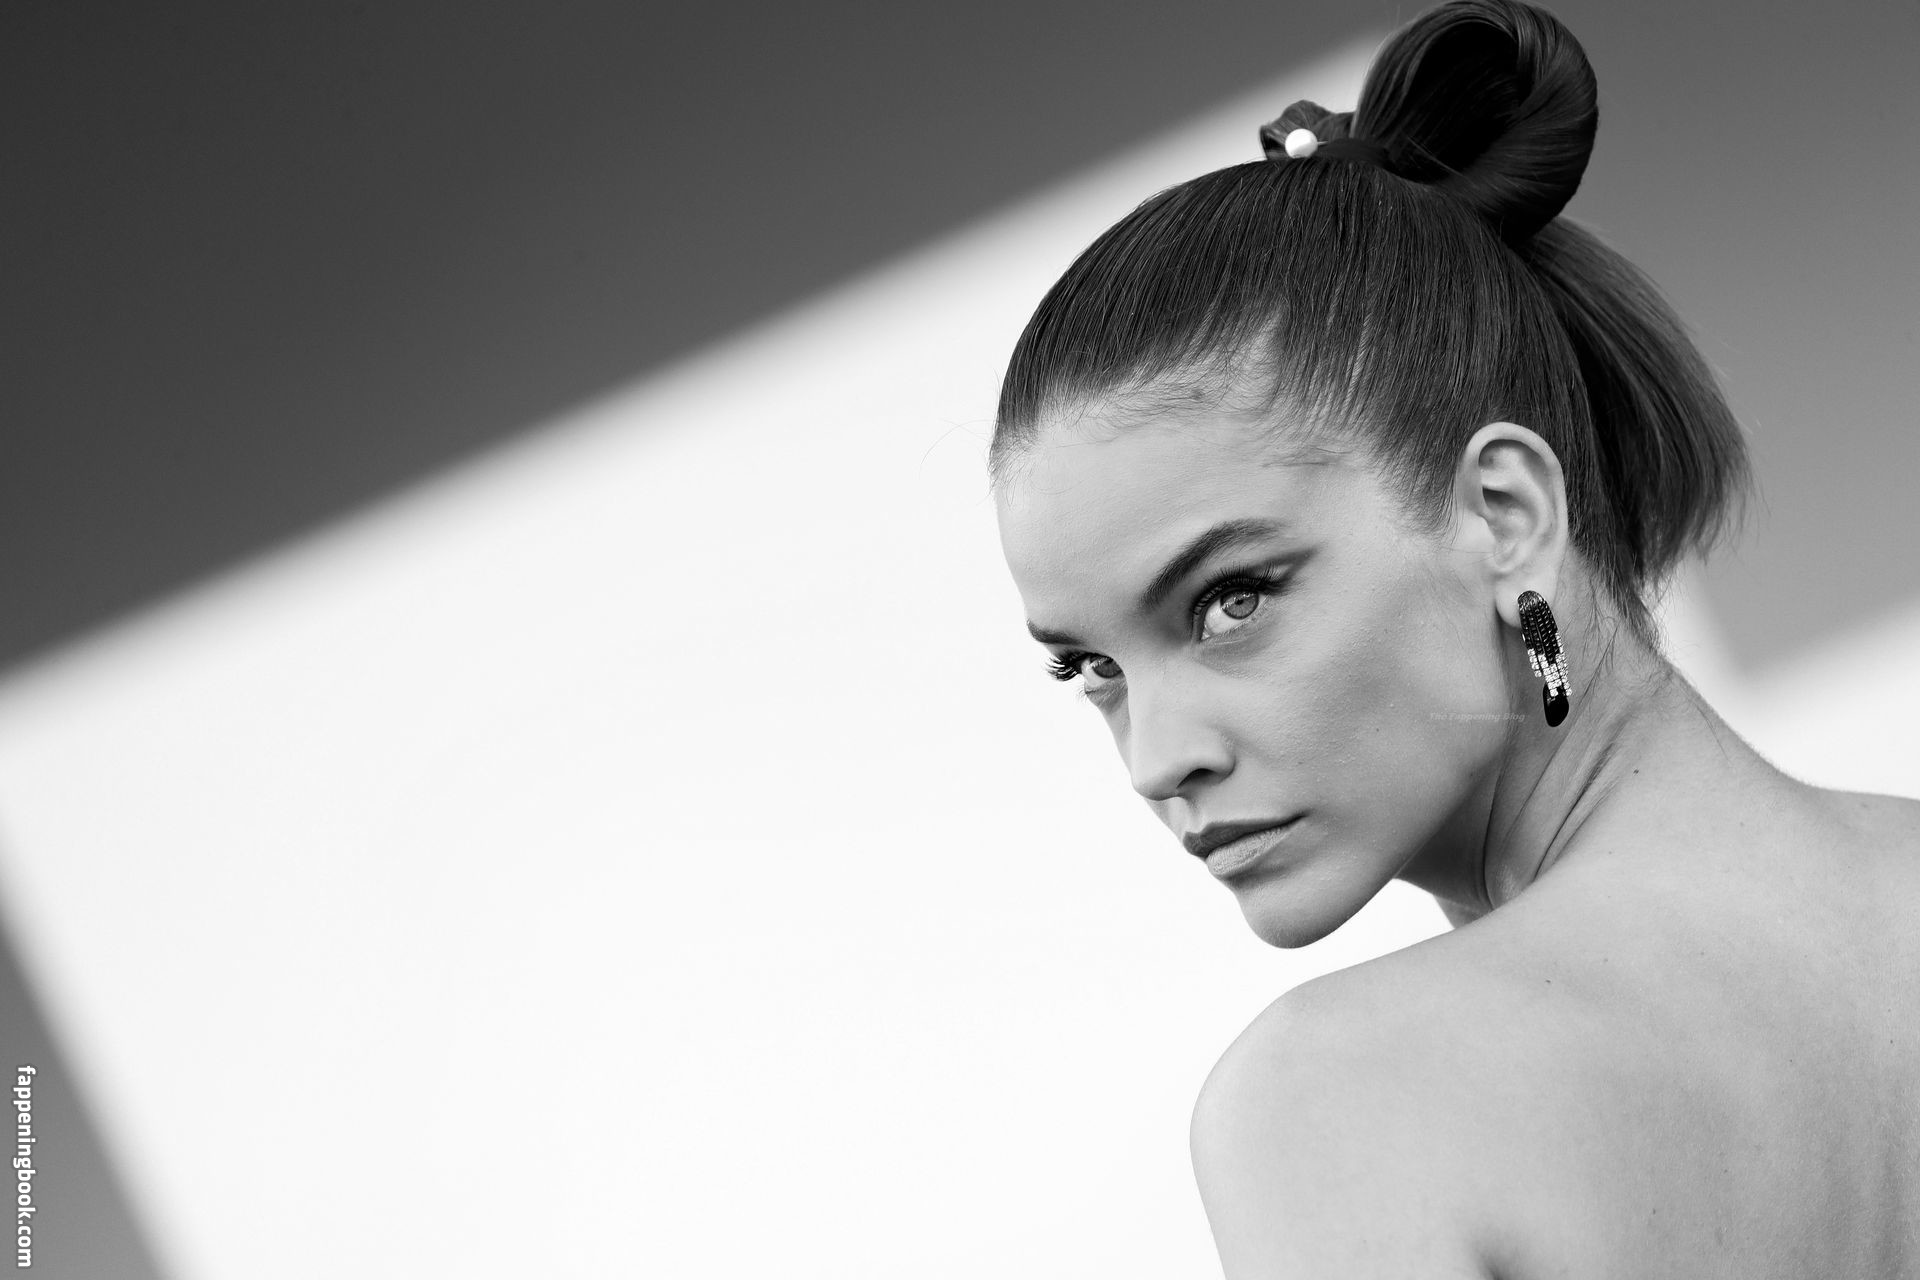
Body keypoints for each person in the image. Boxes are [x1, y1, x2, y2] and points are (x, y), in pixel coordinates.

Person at [988, 0, 1920, 1274]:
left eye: (1230, 600)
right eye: (1089, 667)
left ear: (1506, 514)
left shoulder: (1340, 1100)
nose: (1157, 760)